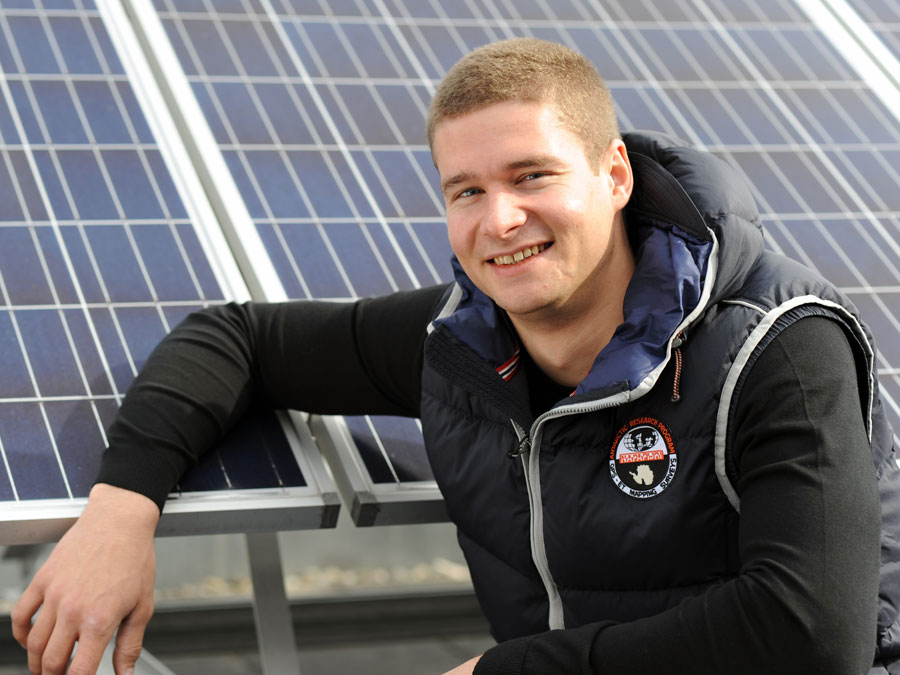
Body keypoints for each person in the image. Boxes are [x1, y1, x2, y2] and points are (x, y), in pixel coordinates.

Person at [11, 37, 900, 675]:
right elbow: (237, 337)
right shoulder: (461, 344)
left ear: (615, 175)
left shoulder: (776, 348)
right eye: (466, 190)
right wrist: (119, 513)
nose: (498, 220)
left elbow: (812, 634)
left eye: (531, 176)